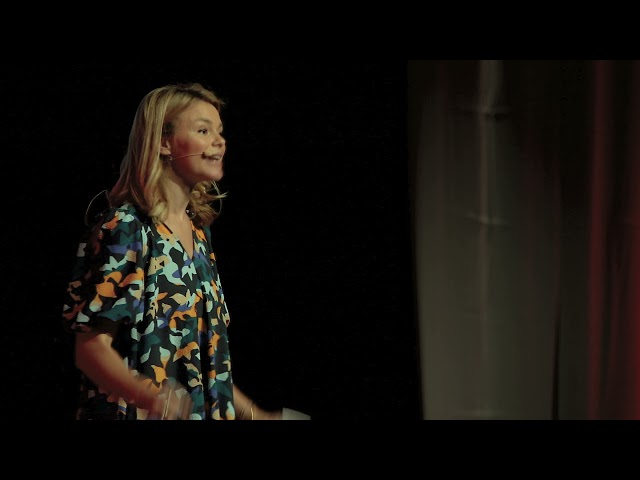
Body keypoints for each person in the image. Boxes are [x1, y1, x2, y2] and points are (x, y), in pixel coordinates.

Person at [61, 82, 291, 420]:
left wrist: (257, 415)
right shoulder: (127, 228)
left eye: (220, 131)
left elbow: (205, 366)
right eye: (203, 130)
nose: (220, 141)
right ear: (163, 142)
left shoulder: (199, 235)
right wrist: (151, 398)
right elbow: (90, 349)